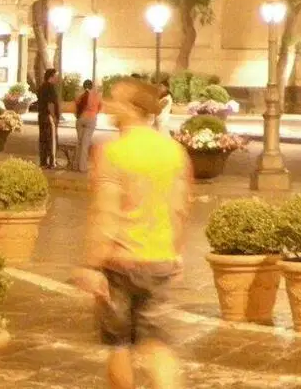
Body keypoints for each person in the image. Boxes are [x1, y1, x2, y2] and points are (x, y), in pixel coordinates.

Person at [76, 77, 190, 389]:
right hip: (160, 260)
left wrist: (91, 265)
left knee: (119, 345)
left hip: (121, 264)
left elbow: (105, 213)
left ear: (132, 107)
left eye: (115, 100)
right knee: (156, 343)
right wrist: (175, 252)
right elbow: (179, 208)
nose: (108, 105)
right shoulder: (173, 152)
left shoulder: (113, 152)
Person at [74, 75, 103, 172]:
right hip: (91, 119)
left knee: (79, 142)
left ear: (83, 86)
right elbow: (99, 107)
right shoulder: (96, 95)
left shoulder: (79, 95)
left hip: (80, 119)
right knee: (85, 144)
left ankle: (75, 165)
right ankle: (82, 167)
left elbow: (76, 106)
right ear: (91, 86)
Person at [37, 68, 62, 169]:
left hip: (41, 116)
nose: (57, 78)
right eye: (56, 76)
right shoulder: (50, 87)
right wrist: (54, 116)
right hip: (48, 116)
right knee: (51, 139)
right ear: (51, 77)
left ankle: (43, 162)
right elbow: (50, 103)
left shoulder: (41, 87)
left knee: (43, 139)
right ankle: (52, 162)